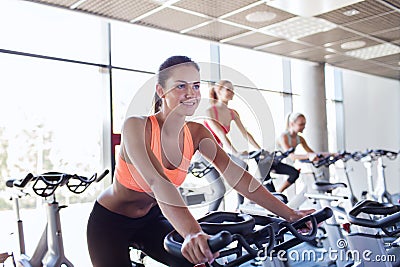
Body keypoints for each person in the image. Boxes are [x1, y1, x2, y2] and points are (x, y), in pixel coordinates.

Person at [86, 56, 314, 267]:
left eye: (196, 85)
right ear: (161, 91)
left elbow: (236, 176)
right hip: (110, 222)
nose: (191, 93)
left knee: (199, 263)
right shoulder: (137, 126)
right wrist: (192, 232)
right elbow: (158, 182)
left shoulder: (196, 133)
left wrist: (290, 214)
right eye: (181, 86)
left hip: (152, 218)